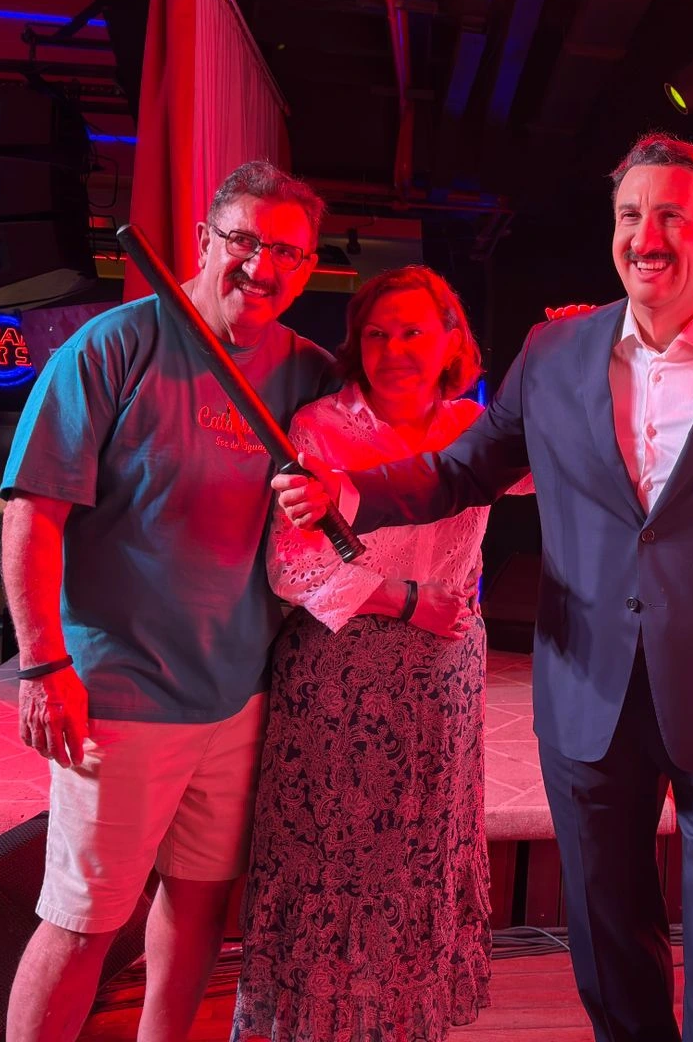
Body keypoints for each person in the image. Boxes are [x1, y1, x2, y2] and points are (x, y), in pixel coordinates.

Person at [274, 133, 693, 1042]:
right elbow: (465, 469)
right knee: (604, 930)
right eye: (630, 215)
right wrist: (352, 491)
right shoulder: (554, 352)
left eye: (671, 216)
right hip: (586, 687)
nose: (646, 237)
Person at [0, 160, 334, 1042]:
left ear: (309, 269)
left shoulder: (309, 372)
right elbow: (34, 512)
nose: (262, 266)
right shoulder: (114, 347)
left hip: (240, 695)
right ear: (202, 240)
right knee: (83, 922)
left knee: (198, 907)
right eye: (244, 241)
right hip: (118, 696)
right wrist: (42, 664)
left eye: (287, 252)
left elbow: (418, 429)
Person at [232, 266, 494, 1042]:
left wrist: (588, 348)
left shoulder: (477, 429)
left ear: (450, 341)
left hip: (444, 683)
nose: (394, 349)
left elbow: (573, 459)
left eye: (413, 331)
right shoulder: (318, 426)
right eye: (377, 334)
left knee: (421, 861)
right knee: (334, 866)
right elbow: (292, 565)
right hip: (341, 679)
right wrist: (409, 600)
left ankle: (402, 1025)